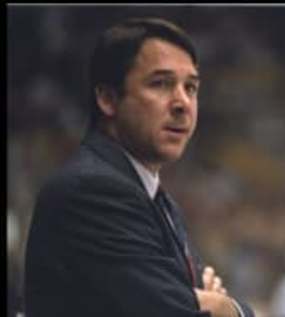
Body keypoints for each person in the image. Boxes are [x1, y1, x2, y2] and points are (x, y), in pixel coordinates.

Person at [25, 17, 254, 317]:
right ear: (108, 99)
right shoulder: (93, 191)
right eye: (161, 84)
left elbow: (185, 298)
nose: (182, 102)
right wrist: (231, 308)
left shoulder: (155, 197)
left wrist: (214, 304)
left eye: (191, 87)